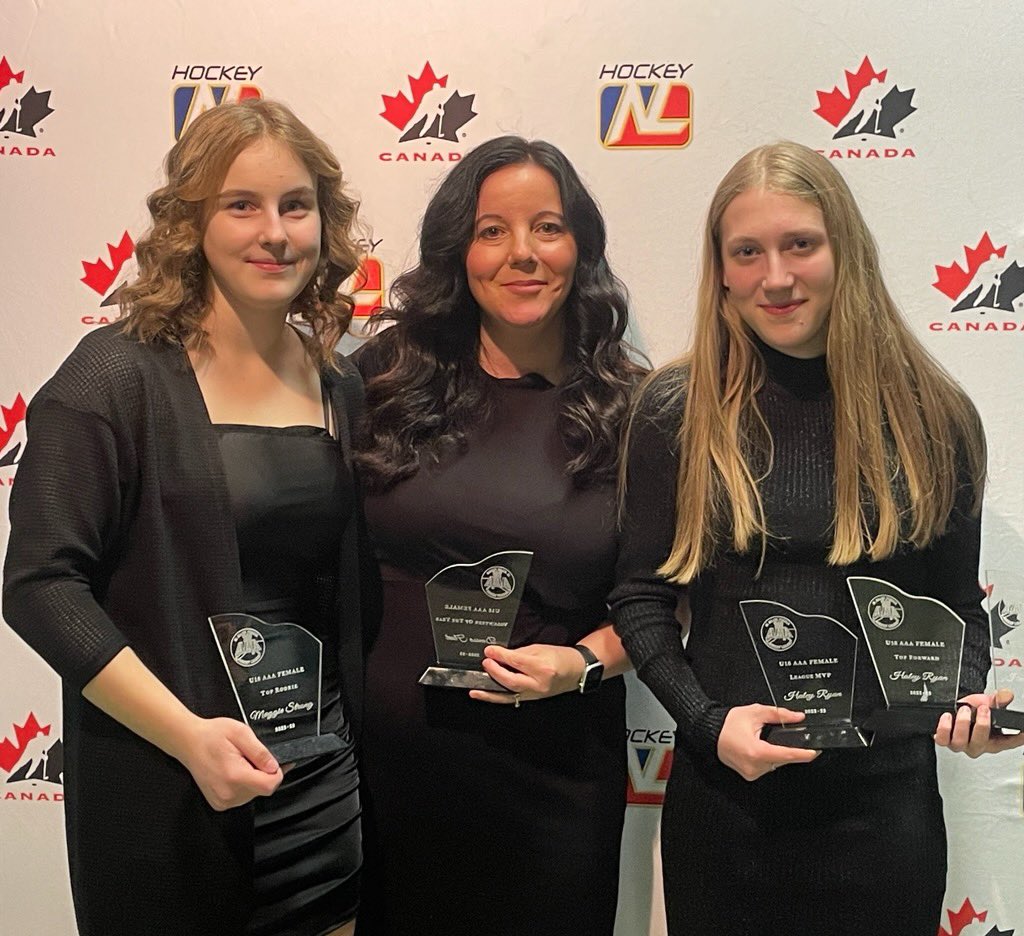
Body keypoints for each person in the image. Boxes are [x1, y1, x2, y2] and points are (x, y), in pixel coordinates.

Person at [610, 140, 1024, 936]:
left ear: (846, 249)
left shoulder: (934, 415)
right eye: (748, 251)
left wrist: (961, 701)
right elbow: (640, 598)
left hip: (883, 816)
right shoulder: (676, 409)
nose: (775, 276)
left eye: (800, 244)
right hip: (727, 808)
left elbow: (956, 608)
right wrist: (703, 723)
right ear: (722, 270)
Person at [3, 99, 369, 936]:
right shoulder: (114, 377)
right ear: (191, 224)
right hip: (171, 785)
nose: (275, 232)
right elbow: (39, 586)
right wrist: (188, 736)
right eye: (242, 205)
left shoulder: (340, 384)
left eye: (296, 205)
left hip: (317, 783)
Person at [352, 135, 644, 936]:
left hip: (553, 777)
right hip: (391, 780)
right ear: (459, 250)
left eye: (547, 228)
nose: (523, 254)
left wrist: (584, 663)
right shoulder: (382, 379)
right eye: (492, 231)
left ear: (580, 245)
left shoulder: (632, 408)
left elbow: (671, 596)